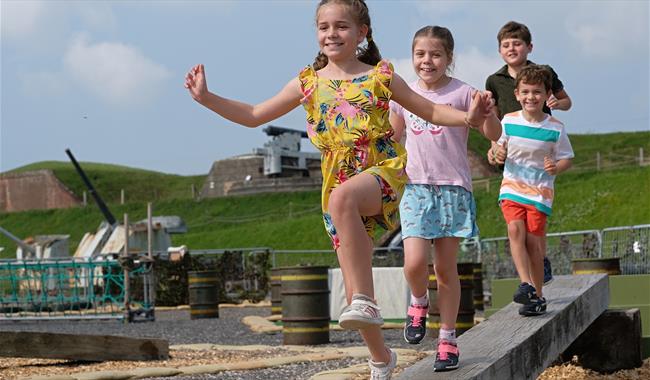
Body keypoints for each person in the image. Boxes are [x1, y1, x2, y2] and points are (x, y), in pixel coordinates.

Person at [185, 1, 491, 378]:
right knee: (351, 297)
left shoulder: (381, 76)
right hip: (337, 179)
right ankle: (381, 358)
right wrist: (207, 98)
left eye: (341, 26)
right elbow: (254, 115)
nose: (331, 34)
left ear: (362, 33)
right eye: (324, 27)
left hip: (382, 170)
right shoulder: (308, 82)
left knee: (345, 204)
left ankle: (368, 300)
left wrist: (468, 118)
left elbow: (429, 111)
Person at [388, 25, 501, 372]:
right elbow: (392, 136)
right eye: (420, 54)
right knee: (413, 263)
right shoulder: (403, 94)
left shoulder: (464, 94)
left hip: (453, 188)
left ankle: (448, 340)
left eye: (435, 54)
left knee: (446, 269)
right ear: (412, 57)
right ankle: (419, 302)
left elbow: (494, 135)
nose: (427, 61)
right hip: (417, 188)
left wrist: (488, 112)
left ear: (449, 59)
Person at [485, 20, 572, 285]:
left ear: (529, 47)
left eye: (517, 44)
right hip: (512, 148)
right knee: (515, 226)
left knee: (534, 227)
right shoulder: (494, 80)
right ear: (500, 50)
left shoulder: (543, 72)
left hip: (540, 146)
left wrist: (558, 102)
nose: (512, 48)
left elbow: (567, 101)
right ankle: (527, 278)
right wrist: (493, 148)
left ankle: (540, 260)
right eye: (506, 45)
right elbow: (494, 119)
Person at [496, 65, 574, 317]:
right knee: (514, 229)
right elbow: (496, 150)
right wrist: (496, 153)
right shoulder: (508, 121)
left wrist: (555, 167)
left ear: (546, 94)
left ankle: (538, 295)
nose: (531, 97)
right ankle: (526, 284)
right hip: (512, 187)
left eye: (537, 92)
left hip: (540, 192)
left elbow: (567, 158)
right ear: (517, 94)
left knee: (534, 245)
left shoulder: (555, 127)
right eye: (526, 92)